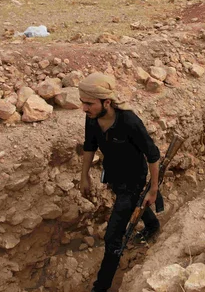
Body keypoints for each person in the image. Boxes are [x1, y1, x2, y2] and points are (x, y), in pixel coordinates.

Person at [78, 72, 161, 292]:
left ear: (107, 102)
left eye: (89, 103)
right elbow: (89, 146)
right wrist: (84, 176)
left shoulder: (129, 122)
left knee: (112, 237)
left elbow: (153, 156)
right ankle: (152, 225)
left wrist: (153, 189)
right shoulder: (92, 119)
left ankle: (101, 286)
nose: (84, 108)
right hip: (114, 176)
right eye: (82, 102)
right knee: (133, 204)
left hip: (134, 180)